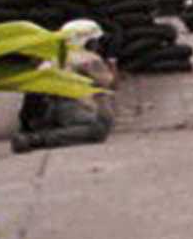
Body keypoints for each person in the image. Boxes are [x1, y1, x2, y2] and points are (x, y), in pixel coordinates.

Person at [13, 22, 116, 154]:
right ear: (86, 41)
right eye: (95, 41)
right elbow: (111, 84)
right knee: (99, 129)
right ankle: (36, 139)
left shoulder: (49, 58)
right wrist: (113, 60)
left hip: (40, 113)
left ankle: (33, 134)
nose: (98, 45)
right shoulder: (88, 59)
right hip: (63, 107)